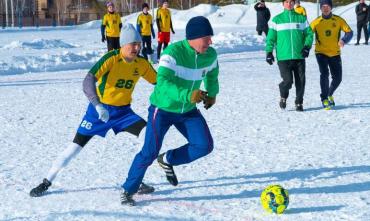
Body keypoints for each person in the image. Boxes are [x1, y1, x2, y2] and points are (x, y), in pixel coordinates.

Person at [29, 24, 157, 197]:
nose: (136, 48)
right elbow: (88, 81)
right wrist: (97, 105)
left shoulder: (142, 63)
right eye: (132, 44)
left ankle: (135, 179)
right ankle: (46, 182)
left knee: (149, 136)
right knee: (75, 147)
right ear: (123, 44)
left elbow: (160, 82)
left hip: (124, 114)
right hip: (99, 112)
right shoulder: (111, 58)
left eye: (138, 44)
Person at [120, 16, 219, 206]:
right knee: (149, 152)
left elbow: (213, 73)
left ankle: (167, 159)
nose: (210, 41)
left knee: (204, 145)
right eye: (206, 37)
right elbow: (163, 84)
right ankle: (128, 189)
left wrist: (212, 93)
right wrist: (188, 94)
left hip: (188, 110)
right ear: (194, 37)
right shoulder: (172, 53)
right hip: (163, 109)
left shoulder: (210, 55)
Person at [265, 0, 313, 111]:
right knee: (288, 81)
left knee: (301, 81)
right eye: (286, 2)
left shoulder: (301, 18)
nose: (289, 4)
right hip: (283, 57)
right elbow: (270, 38)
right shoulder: (277, 19)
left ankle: (299, 102)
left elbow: (309, 34)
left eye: (291, 2)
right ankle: (283, 95)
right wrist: (269, 52)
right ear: (283, 4)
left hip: (299, 56)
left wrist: (306, 47)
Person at [310, 0, 353, 110]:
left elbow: (349, 32)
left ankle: (329, 94)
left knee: (338, 78)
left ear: (331, 7)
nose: (325, 8)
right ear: (320, 8)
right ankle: (324, 99)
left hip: (335, 53)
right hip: (321, 52)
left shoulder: (338, 20)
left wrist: (344, 40)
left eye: (327, 6)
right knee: (324, 74)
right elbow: (307, 35)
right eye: (323, 6)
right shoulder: (316, 22)